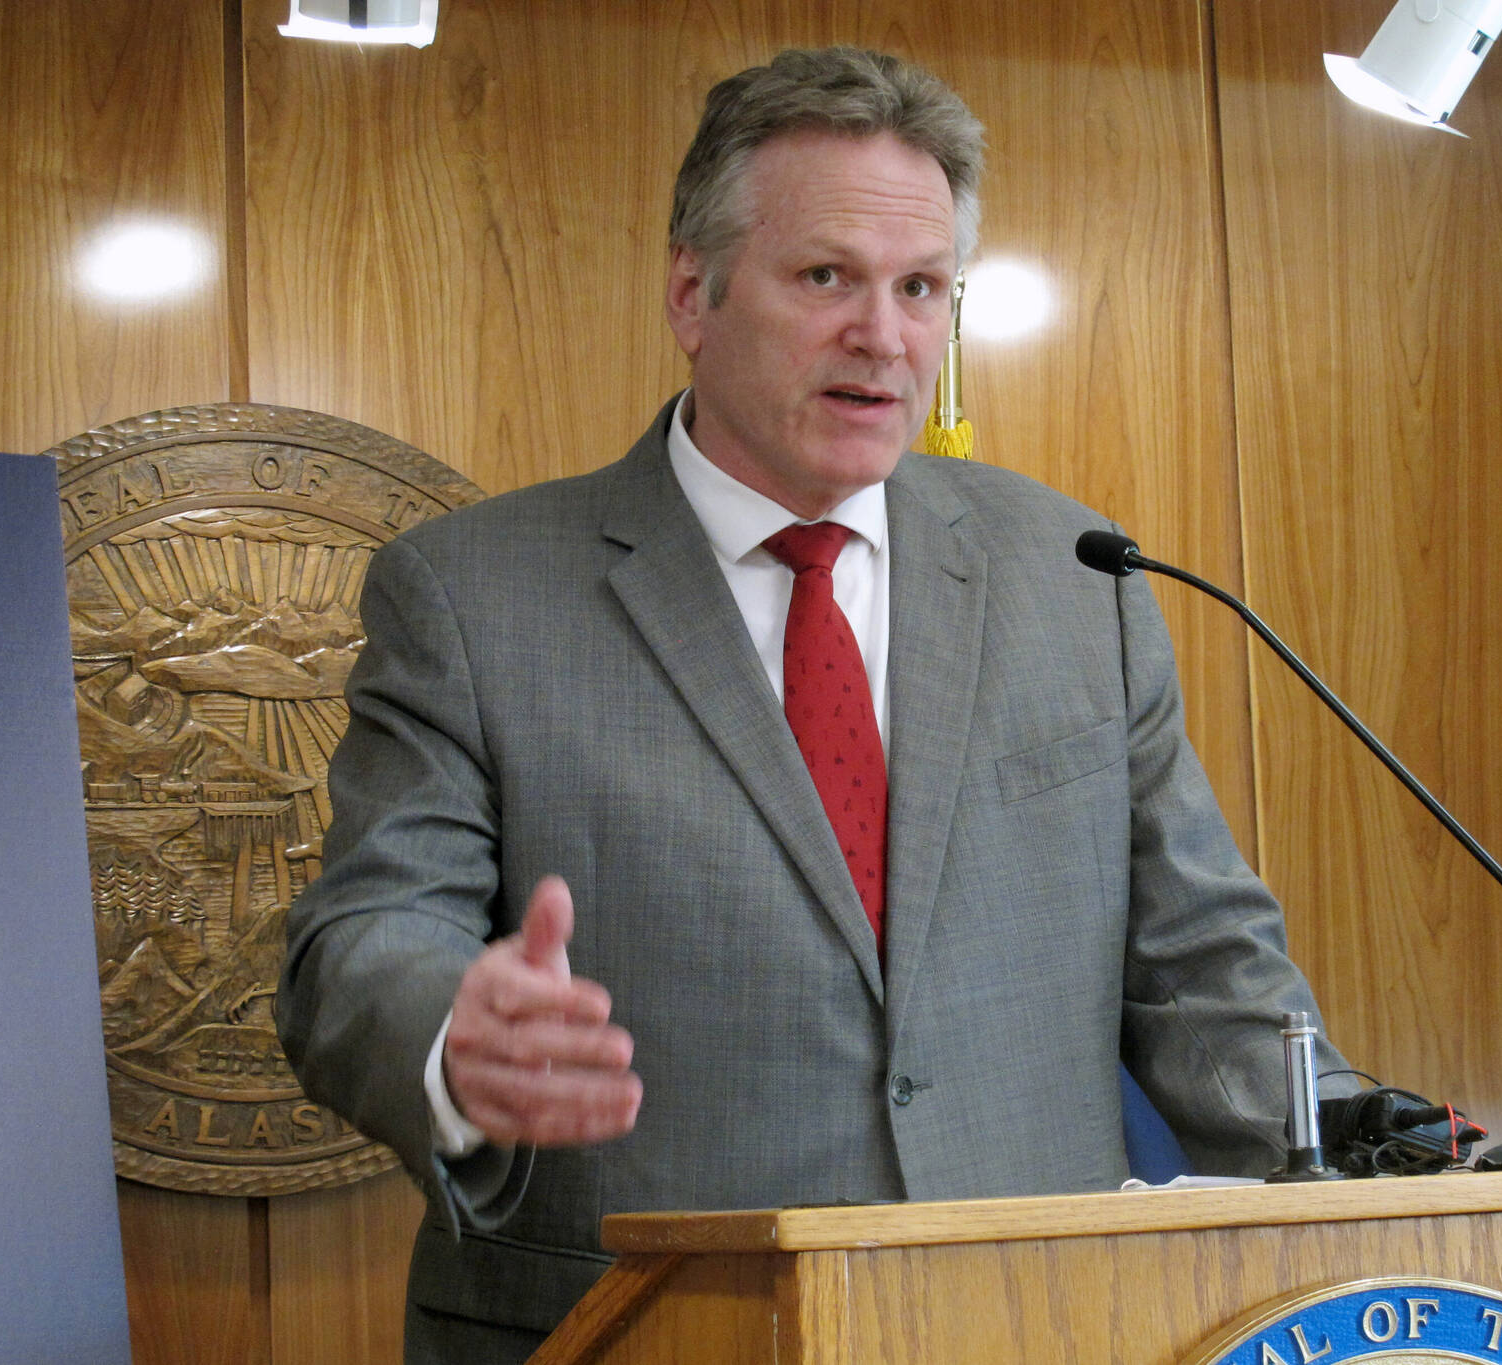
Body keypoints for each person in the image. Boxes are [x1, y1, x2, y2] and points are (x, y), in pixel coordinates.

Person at [279, 45, 1347, 1365]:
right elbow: (366, 935)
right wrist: (455, 1037)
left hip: (1039, 1326)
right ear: (693, 290)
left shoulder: (1079, 576)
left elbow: (1208, 969)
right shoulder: (475, 594)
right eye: (826, 276)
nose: (882, 335)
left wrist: (1370, 1152)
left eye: (921, 289)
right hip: (633, 1327)